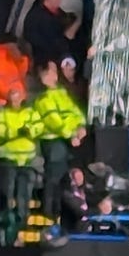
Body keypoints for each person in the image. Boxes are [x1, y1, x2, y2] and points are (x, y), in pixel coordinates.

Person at [31, 62, 87, 221]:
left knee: (62, 176)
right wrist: (71, 134)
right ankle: (48, 212)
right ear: (43, 77)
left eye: (55, 72)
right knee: (53, 176)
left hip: (65, 141)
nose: (55, 75)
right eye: (51, 72)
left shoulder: (62, 94)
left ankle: (57, 211)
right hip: (53, 141)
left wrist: (81, 126)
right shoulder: (43, 99)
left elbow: (75, 112)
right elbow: (54, 121)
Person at [0, 85, 42, 245]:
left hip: (27, 162)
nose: (14, 100)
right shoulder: (2, 114)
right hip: (9, 161)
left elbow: (39, 127)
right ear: (8, 98)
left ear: (22, 97)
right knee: (8, 193)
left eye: (17, 96)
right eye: (12, 96)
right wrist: (18, 132)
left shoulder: (31, 113)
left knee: (24, 195)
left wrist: (29, 130)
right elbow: (0, 130)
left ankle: (21, 226)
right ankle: (8, 228)